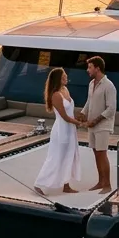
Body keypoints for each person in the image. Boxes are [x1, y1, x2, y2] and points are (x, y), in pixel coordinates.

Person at [34, 67, 84, 196]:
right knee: (56, 157)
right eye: (63, 77)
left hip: (70, 129)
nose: (66, 78)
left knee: (69, 156)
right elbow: (64, 116)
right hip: (61, 129)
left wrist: (78, 119)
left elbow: (70, 112)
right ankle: (39, 183)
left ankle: (66, 185)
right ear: (58, 79)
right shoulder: (56, 95)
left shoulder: (65, 90)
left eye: (66, 76)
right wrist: (79, 123)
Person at [81, 55, 117, 193]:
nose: (87, 70)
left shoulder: (109, 86)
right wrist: (83, 113)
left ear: (97, 68)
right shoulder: (91, 84)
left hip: (103, 126)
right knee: (96, 153)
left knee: (102, 154)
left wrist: (95, 120)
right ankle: (101, 182)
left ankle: (107, 185)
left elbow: (111, 108)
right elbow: (89, 102)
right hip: (92, 125)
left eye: (90, 67)